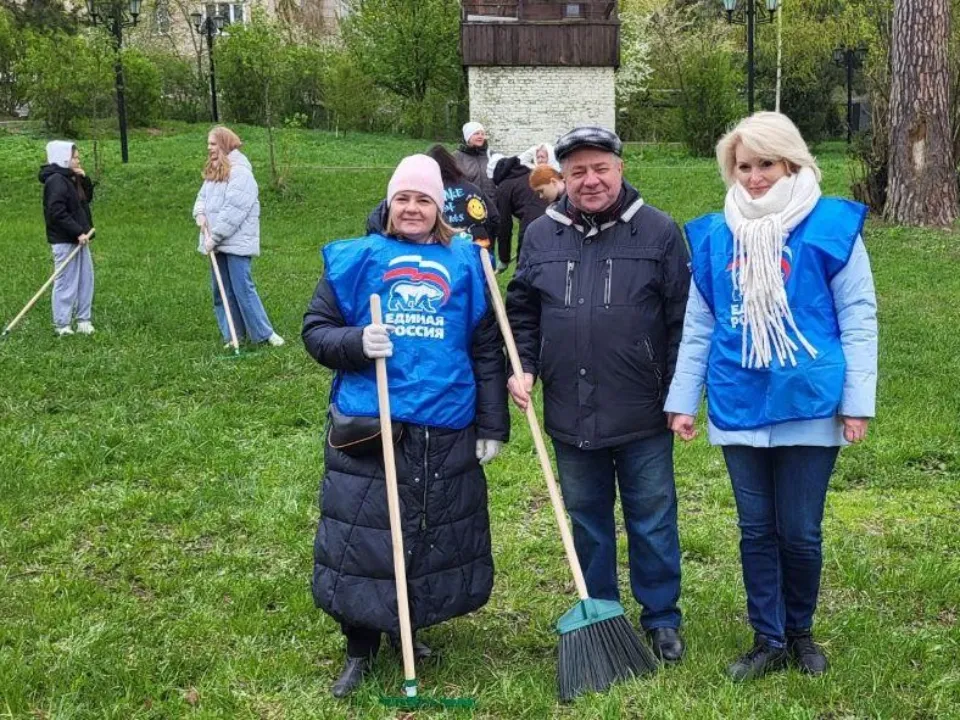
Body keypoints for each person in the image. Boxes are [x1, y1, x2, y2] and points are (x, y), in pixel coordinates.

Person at [664, 112, 878, 682]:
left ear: (792, 163)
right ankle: (768, 637)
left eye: (766, 164)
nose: (755, 177)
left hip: (810, 401)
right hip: (739, 399)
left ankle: (802, 631)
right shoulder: (715, 236)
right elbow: (700, 325)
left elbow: (858, 317)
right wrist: (684, 399)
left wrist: (857, 401)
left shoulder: (830, 228)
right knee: (755, 530)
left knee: (800, 530)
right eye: (744, 166)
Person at [302, 154, 509, 699]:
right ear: (389, 204)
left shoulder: (467, 263)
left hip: (446, 421)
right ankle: (359, 646)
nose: (412, 208)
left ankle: (408, 631)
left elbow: (488, 348)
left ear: (439, 207)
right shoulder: (357, 260)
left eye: (423, 200)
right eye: (403, 199)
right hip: (374, 424)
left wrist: (492, 423)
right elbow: (316, 330)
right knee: (364, 537)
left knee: (426, 531)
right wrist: (354, 342)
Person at [505, 126, 690, 662]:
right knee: (586, 519)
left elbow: (681, 318)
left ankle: (661, 617)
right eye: (577, 171)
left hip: (642, 411)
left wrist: (679, 393)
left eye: (600, 168)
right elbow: (522, 310)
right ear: (561, 177)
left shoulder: (657, 231)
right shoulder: (542, 234)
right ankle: (602, 611)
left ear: (620, 168)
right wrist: (525, 367)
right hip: (570, 411)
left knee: (652, 517)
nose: (590, 181)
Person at [192, 126, 284, 347]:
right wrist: (200, 214)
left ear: (224, 144)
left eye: (213, 143)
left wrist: (214, 238)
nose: (209, 148)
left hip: (235, 243)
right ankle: (234, 336)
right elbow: (201, 197)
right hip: (215, 242)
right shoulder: (214, 170)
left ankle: (264, 333)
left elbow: (233, 212)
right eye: (208, 143)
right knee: (221, 290)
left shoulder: (241, 172)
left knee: (242, 288)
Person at [39, 141, 96, 336]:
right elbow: (56, 211)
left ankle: (83, 320)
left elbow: (84, 200)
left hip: (80, 238)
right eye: (75, 157)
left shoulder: (70, 178)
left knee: (85, 280)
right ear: (63, 158)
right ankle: (62, 324)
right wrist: (76, 231)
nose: (78, 160)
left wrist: (84, 179)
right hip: (65, 239)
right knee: (66, 281)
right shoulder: (55, 180)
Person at [492, 145, 551, 272]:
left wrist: (504, 258)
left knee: (524, 274)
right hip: (554, 219)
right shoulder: (531, 174)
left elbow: (504, 227)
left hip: (531, 226)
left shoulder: (503, 187)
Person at [453, 121, 498, 211]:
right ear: (468, 136)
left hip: (492, 205)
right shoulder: (456, 157)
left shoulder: (493, 155)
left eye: (482, 134)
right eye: (476, 133)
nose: (480, 136)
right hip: (467, 205)